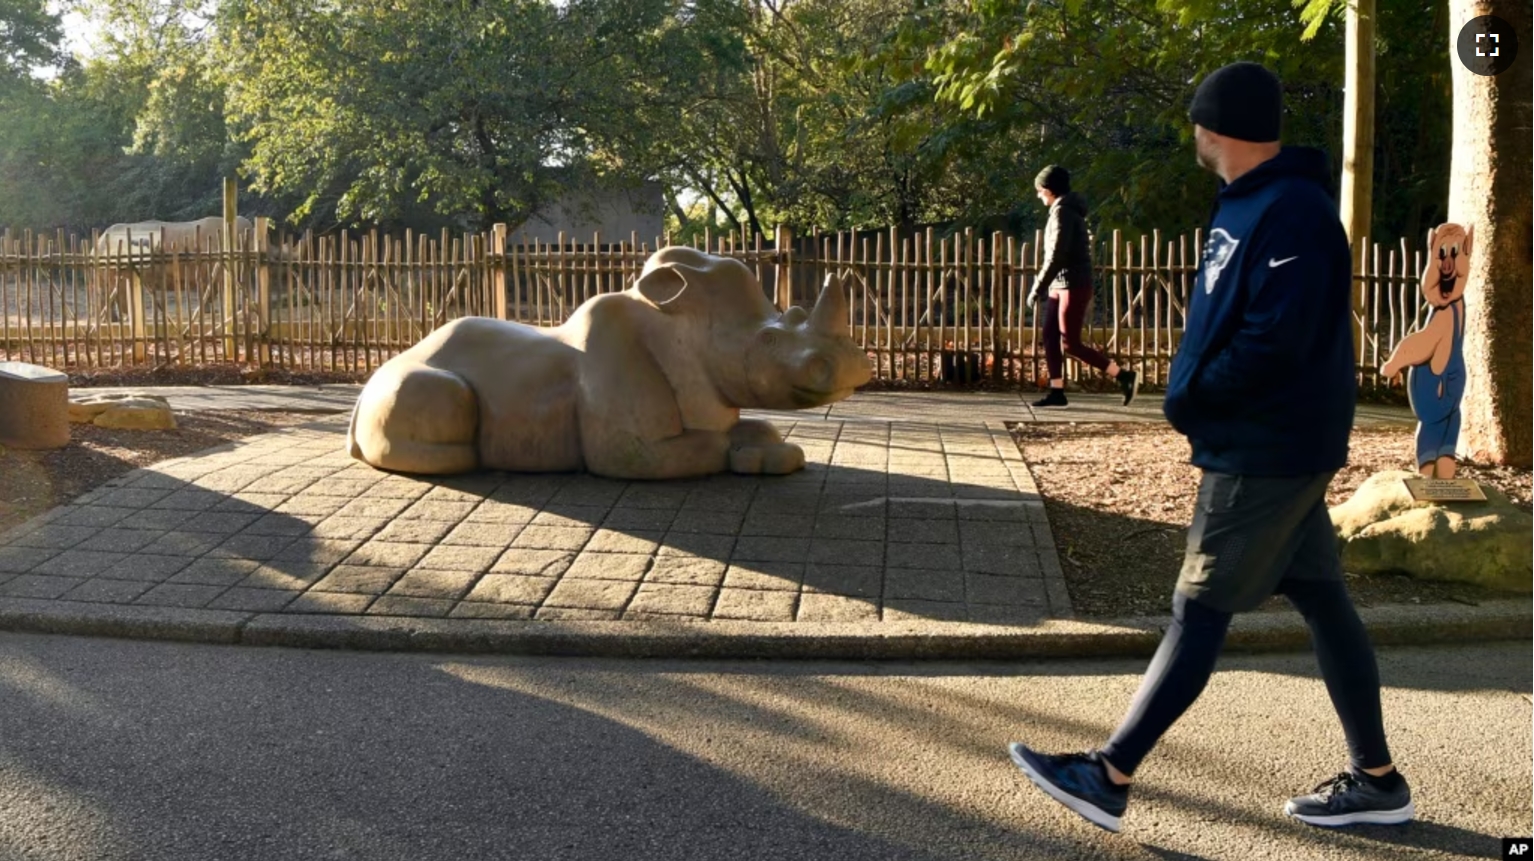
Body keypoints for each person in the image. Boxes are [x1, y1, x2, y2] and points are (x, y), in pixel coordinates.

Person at [1006, 62, 1413, 833]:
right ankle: (1378, 780)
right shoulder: (1246, 204)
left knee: (1198, 607)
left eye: (1197, 120)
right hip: (1267, 437)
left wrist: (1194, 394)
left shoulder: (1292, 211)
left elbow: (1276, 341)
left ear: (1215, 128)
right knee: (1325, 601)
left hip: (1266, 444)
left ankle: (1108, 773)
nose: (1193, 132)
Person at [1026, 166, 1138, 409]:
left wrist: (1037, 287)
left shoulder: (1062, 213)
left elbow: (1057, 255)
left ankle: (1123, 376)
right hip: (1060, 284)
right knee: (1049, 336)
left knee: (1071, 343)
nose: (1038, 196)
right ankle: (1057, 391)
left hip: (1073, 284)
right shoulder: (1061, 210)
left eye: (1039, 191)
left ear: (1048, 190)